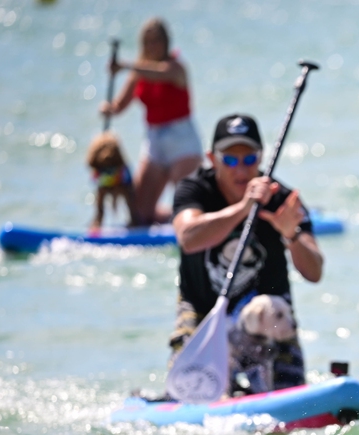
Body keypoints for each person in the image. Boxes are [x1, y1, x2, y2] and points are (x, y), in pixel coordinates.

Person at [170, 114, 324, 393]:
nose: (240, 169)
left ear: (261, 157)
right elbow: (188, 237)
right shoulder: (194, 189)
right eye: (229, 160)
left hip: (268, 318)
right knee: (187, 390)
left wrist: (292, 235)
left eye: (249, 159)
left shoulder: (282, 199)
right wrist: (243, 208)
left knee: (290, 385)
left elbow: (315, 272)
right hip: (205, 312)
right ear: (211, 158)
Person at [100, 17, 203, 225]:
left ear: (166, 43)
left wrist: (125, 67)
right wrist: (108, 109)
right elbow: (119, 106)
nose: (151, 46)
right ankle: (172, 221)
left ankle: (193, 222)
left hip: (182, 143)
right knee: (139, 215)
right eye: (147, 42)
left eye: (156, 41)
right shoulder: (138, 72)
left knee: (189, 202)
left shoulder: (176, 68)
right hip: (154, 142)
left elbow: (160, 74)